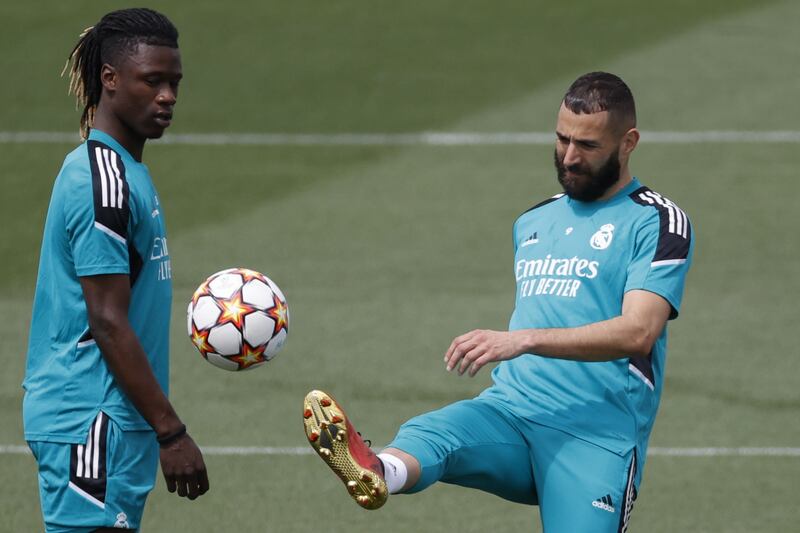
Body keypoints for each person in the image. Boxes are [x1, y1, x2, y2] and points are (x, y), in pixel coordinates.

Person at [303, 71, 694, 532]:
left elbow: (639, 332)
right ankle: (378, 471)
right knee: (433, 434)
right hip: (511, 413)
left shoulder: (656, 221)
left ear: (628, 142)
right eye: (562, 139)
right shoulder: (533, 221)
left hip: (595, 437)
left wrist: (522, 340)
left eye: (587, 146)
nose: (569, 157)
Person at [23, 8, 208, 532]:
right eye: (153, 81)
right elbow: (107, 319)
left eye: (174, 82)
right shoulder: (102, 184)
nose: (168, 95)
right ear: (109, 79)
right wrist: (171, 432)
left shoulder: (125, 172)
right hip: (92, 421)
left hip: (111, 420)